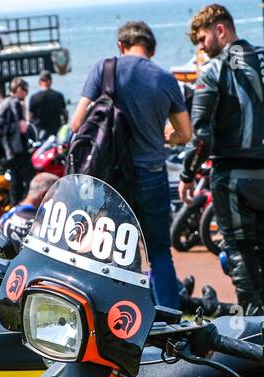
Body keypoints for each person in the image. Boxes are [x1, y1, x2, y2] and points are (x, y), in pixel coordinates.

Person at [181, 4, 264, 315]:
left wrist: (187, 175)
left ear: (220, 30)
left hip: (233, 177)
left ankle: (253, 326)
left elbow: (201, 138)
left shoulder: (213, 71)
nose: (201, 48)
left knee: (239, 248)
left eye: (202, 39)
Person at [71, 21, 192, 310]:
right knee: (159, 251)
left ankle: (115, 316)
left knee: (111, 249)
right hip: (151, 174)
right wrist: (168, 136)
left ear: (121, 46)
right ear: (151, 49)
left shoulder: (105, 69)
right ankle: (168, 320)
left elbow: (76, 123)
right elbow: (185, 133)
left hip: (112, 178)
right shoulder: (165, 79)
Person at [0, 77, 34, 201]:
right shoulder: (15, 102)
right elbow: (23, 128)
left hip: (6, 150)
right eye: (25, 89)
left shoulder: (3, 102)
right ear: (19, 89)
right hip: (17, 148)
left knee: (16, 180)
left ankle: (15, 208)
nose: (26, 93)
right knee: (31, 180)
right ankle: (31, 209)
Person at [0, 170, 57, 244]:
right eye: (54, 195)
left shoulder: (9, 214)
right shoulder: (38, 220)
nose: (55, 199)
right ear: (44, 194)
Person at [28, 70, 67, 141]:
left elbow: (30, 117)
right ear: (51, 81)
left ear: (39, 82)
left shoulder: (34, 97)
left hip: (39, 132)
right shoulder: (58, 96)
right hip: (56, 131)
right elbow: (65, 114)